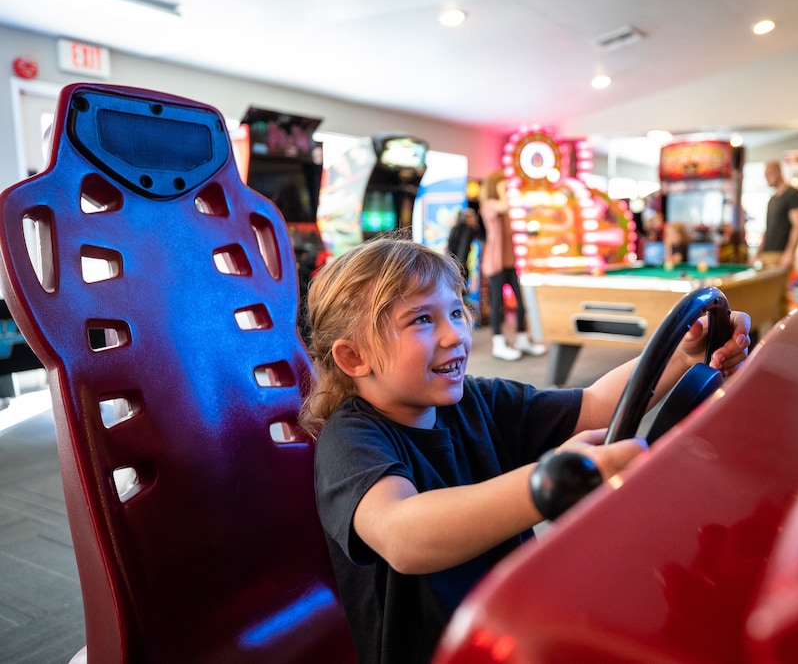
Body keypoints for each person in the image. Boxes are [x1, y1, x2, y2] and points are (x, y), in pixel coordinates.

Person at [300, 235, 752, 664]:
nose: (455, 335)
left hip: (511, 629)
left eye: (456, 312)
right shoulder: (350, 439)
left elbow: (594, 406)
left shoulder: (477, 401)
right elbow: (403, 533)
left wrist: (684, 355)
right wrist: (546, 484)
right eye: (421, 320)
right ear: (354, 358)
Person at [478, 170, 545, 361]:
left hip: (509, 262)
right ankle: (498, 344)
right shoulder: (490, 205)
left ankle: (523, 339)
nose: (507, 188)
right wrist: (501, 191)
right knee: (497, 304)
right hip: (495, 263)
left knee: (521, 304)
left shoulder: (503, 207)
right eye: (503, 184)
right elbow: (503, 206)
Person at [754, 160, 798, 315]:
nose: (766, 178)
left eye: (768, 174)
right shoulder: (772, 200)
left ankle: (779, 327)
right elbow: (768, 229)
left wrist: (789, 252)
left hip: (780, 254)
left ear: (778, 172)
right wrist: (757, 253)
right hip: (766, 255)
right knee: (765, 298)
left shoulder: (793, 195)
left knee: (778, 298)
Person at [445, 207, 482, 281]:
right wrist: (462, 267)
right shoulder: (468, 230)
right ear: (467, 219)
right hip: (459, 265)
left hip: (451, 263)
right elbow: (463, 248)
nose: (475, 220)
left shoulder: (455, 228)